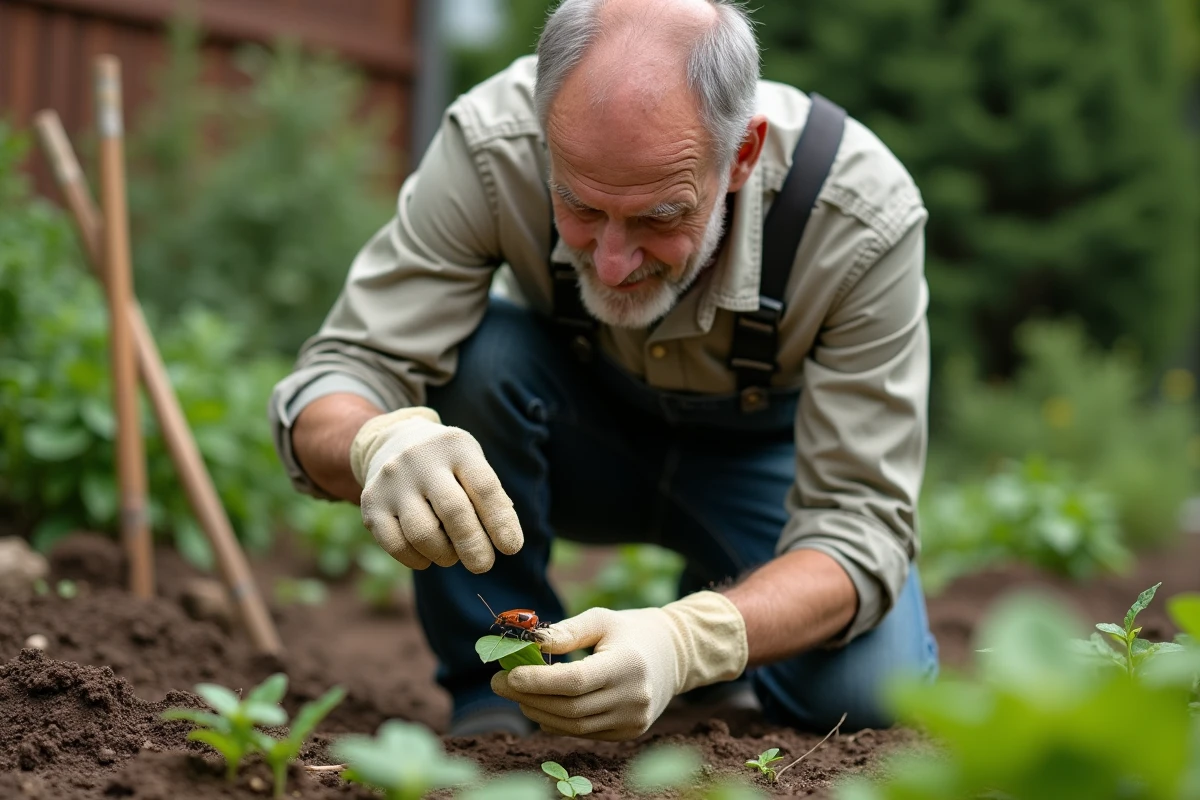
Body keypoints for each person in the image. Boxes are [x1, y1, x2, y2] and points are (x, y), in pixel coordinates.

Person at [269, 0, 938, 740]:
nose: (613, 262)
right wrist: (376, 442)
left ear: (742, 155)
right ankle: (498, 692)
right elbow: (346, 370)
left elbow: (860, 526)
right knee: (478, 363)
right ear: (544, 131)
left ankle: (728, 640)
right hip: (576, 432)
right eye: (579, 206)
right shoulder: (493, 142)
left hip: (759, 470)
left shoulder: (858, 213)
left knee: (870, 692)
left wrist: (689, 642)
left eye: (659, 216)